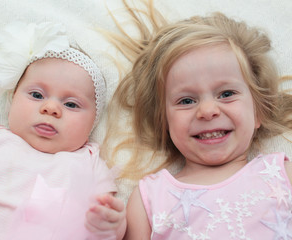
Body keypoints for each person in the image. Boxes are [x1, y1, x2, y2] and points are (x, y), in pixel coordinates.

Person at [102, 0, 292, 239]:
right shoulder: (149, 198)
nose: (207, 110)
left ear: (259, 112)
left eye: (226, 94)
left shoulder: (282, 173)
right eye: (186, 101)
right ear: (164, 121)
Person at [0, 22, 126, 240]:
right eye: (36, 95)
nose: (50, 108)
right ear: (13, 99)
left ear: (93, 122)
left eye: (71, 104)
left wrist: (111, 224)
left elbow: (108, 215)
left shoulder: (88, 161)